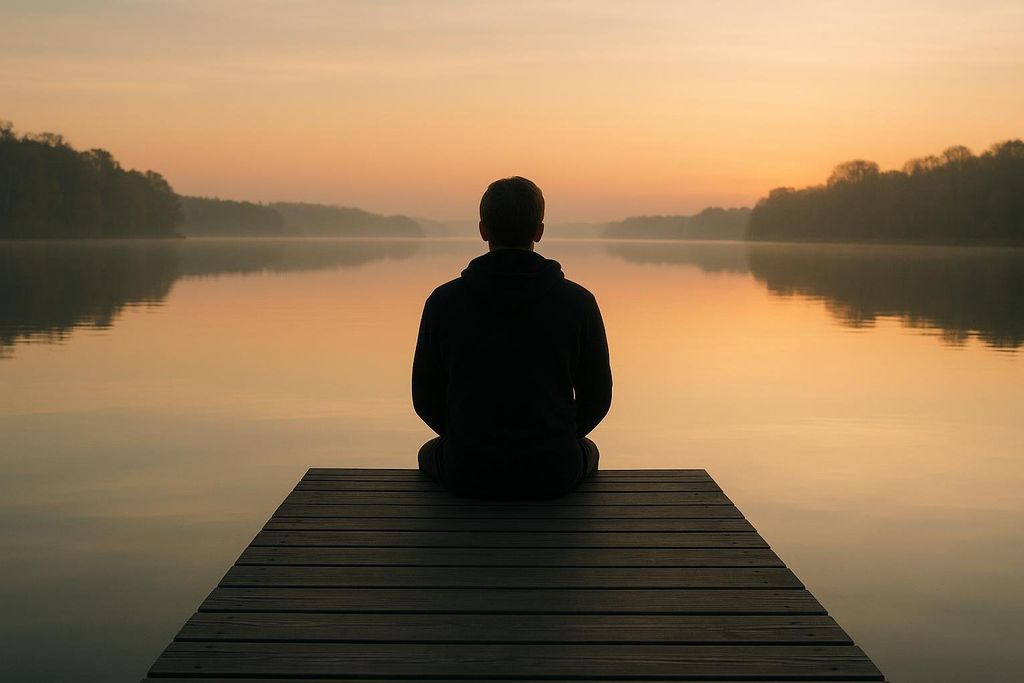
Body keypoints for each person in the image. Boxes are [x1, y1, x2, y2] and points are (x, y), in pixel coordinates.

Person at [412, 176, 612, 499]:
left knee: (427, 452)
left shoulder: (443, 302)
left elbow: (424, 399)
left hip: (467, 470)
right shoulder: (579, 303)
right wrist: (557, 437)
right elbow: (599, 398)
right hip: (553, 471)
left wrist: (467, 438)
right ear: (539, 231)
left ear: (483, 230)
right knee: (589, 449)